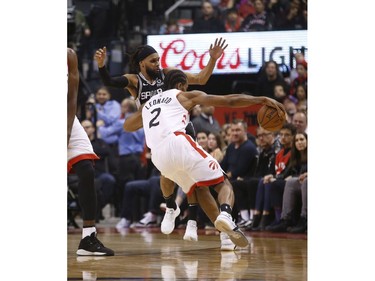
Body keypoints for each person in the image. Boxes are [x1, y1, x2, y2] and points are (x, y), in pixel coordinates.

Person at [124, 69, 286, 248]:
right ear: (180, 86)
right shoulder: (183, 96)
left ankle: (225, 237)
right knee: (223, 183)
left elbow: (128, 126)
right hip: (178, 143)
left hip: (158, 157)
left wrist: (145, 109)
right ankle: (225, 213)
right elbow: (229, 100)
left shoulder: (148, 105)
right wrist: (261, 99)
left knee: (199, 188)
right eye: (186, 86)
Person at [94, 38, 229, 241]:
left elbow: (201, 79)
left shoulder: (167, 74)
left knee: (195, 181)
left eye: (158, 60)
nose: (158, 64)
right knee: (170, 176)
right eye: (153, 61)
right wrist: (102, 66)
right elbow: (110, 82)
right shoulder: (134, 81)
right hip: (158, 135)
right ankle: (172, 206)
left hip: (181, 128)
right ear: (141, 63)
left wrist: (212, 60)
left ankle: (192, 222)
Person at [67, 47, 114, 256]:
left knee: (86, 169)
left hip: (67, 116)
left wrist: (67, 130)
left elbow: (72, 97)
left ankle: (88, 237)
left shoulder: (68, 55)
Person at [266, 132, 308, 232]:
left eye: (302, 139)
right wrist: (274, 176)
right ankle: (286, 219)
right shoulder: (295, 156)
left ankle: (305, 218)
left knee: (306, 182)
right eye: (297, 140)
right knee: (290, 182)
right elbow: (287, 174)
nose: (299, 142)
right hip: (300, 182)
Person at [81, 119, 116, 222]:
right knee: (94, 186)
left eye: (87, 127)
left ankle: (98, 208)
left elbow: (107, 152)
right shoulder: (78, 143)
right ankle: (93, 212)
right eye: (82, 128)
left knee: (110, 180)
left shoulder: (100, 142)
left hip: (99, 173)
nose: (85, 130)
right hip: (83, 174)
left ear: (93, 129)